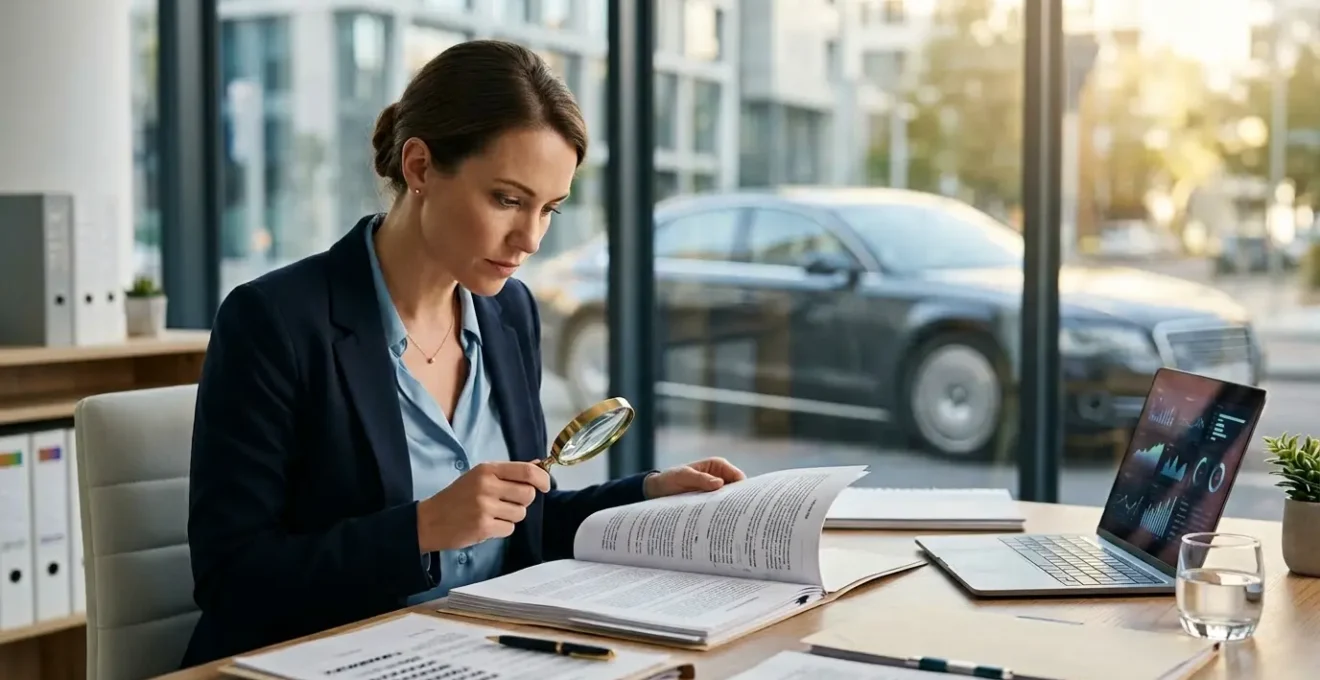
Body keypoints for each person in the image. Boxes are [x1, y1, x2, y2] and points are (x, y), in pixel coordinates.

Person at [181, 39, 745, 668]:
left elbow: (516, 522)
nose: (529, 238)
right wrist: (420, 528)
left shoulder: (509, 312)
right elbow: (231, 578)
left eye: (549, 209)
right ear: (419, 167)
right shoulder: (275, 322)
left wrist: (644, 496)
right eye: (507, 199)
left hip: (482, 654)